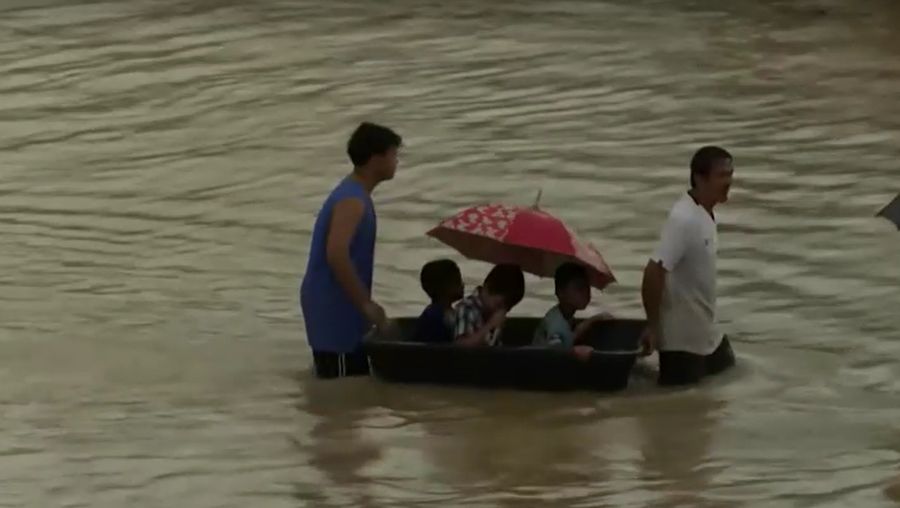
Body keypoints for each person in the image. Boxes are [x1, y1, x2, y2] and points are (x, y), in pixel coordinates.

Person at [300, 122, 402, 379]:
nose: (396, 161)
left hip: (338, 302)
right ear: (376, 159)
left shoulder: (355, 194)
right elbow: (336, 253)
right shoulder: (352, 201)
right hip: (334, 305)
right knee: (340, 381)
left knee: (344, 390)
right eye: (393, 154)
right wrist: (365, 304)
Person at [640, 145, 737, 386]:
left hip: (707, 333)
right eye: (722, 175)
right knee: (675, 407)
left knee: (729, 378)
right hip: (681, 341)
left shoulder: (705, 213)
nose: (729, 181)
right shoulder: (683, 219)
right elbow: (654, 272)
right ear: (699, 178)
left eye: (730, 174)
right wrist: (652, 326)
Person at [532, 262, 613, 361]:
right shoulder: (555, 323)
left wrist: (593, 320)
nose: (586, 293)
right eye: (579, 288)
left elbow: (570, 334)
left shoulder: (565, 316)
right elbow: (556, 353)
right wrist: (575, 351)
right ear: (560, 293)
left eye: (587, 287)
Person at [453, 263, 525, 347]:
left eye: (508, 308)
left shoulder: (493, 315)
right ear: (487, 288)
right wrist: (490, 325)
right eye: (498, 305)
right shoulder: (466, 308)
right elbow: (461, 346)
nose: (501, 311)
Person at [413, 259, 465, 343]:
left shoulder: (444, 313)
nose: (462, 285)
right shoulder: (435, 317)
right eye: (457, 281)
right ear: (445, 287)